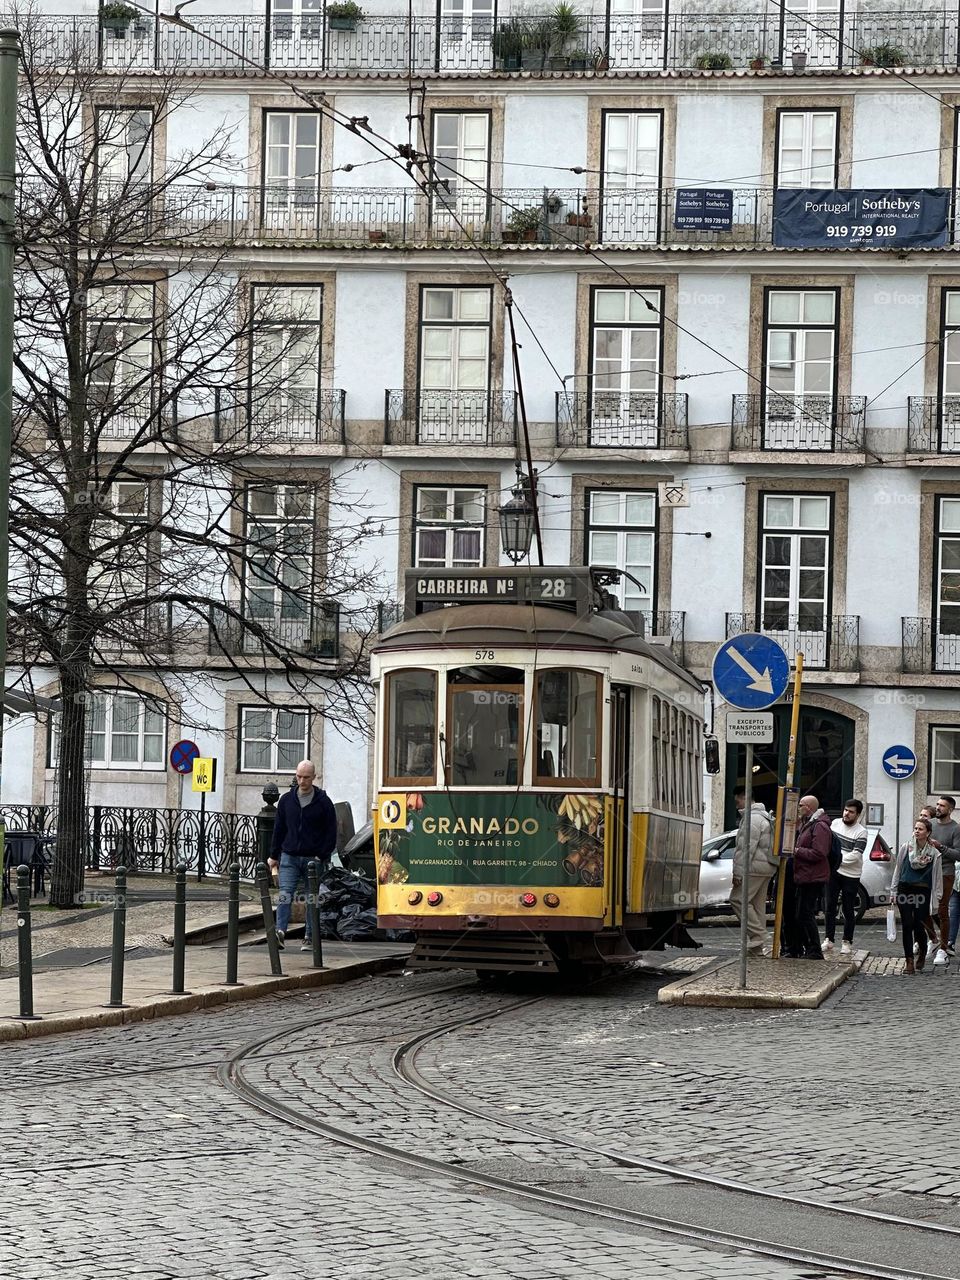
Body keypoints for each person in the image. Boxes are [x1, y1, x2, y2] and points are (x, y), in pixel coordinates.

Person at [268, 759, 339, 952]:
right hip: (289, 855)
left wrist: (321, 855)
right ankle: (280, 932)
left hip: (312, 857)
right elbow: (279, 829)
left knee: (311, 898)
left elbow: (331, 832)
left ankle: (309, 936)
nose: (302, 781)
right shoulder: (286, 800)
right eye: (298, 776)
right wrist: (274, 855)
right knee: (285, 894)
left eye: (306, 777)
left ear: (314, 777)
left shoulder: (323, 802)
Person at [891, 816, 943, 974]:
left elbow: (937, 877)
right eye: (915, 828)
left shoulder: (934, 854)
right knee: (907, 924)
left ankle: (922, 950)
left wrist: (937, 898)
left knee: (919, 925)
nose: (916, 831)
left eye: (920, 829)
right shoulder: (906, 847)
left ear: (928, 833)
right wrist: (893, 890)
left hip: (923, 891)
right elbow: (898, 869)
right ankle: (909, 961)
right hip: (904, 889)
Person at [731, 788, 777, 956]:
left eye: (738, 802)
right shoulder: (763, 816)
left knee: (737, 900)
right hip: (766, 867)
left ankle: (759, 935)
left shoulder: (752, 818)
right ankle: (757, 949)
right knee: (758, 907)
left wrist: (738, 872)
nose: (736, 806)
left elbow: (745, 848)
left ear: (746, 798)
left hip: (754, 868)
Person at [824, 799, 868, 957]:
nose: (846, 814)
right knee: (830, 905)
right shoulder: (835, 824)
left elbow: (856, 855)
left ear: (857, 814)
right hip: (834, 872)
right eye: (845, 810)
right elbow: (828, 843)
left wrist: (837, 860)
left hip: (851, 874)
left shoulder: (861, 832)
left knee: (849, 909)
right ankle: (829, 939)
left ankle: (847, 941)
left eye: (851, 812)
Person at [792, 794, 832, 959]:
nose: (798, 808)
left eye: (800, 805)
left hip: (813, 876)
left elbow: (819, 852)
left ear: (808, 807)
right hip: (805, 875)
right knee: (802, 913)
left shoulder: (819, 826)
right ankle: (809, 947)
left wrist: (797, 851)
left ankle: (814, 949)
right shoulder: (807, 824)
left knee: (806, 913)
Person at [929, 796, 960, 962]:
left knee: (942, 910)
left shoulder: (956, 828)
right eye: (937, 804)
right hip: (927, 872)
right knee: (923, 909)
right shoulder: (930, 824)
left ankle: (943, 948)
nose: (938, 808)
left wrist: (940, 846)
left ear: (950, 810)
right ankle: (933, 940)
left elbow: (959, 854)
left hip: (946, 873)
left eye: (942, 806)